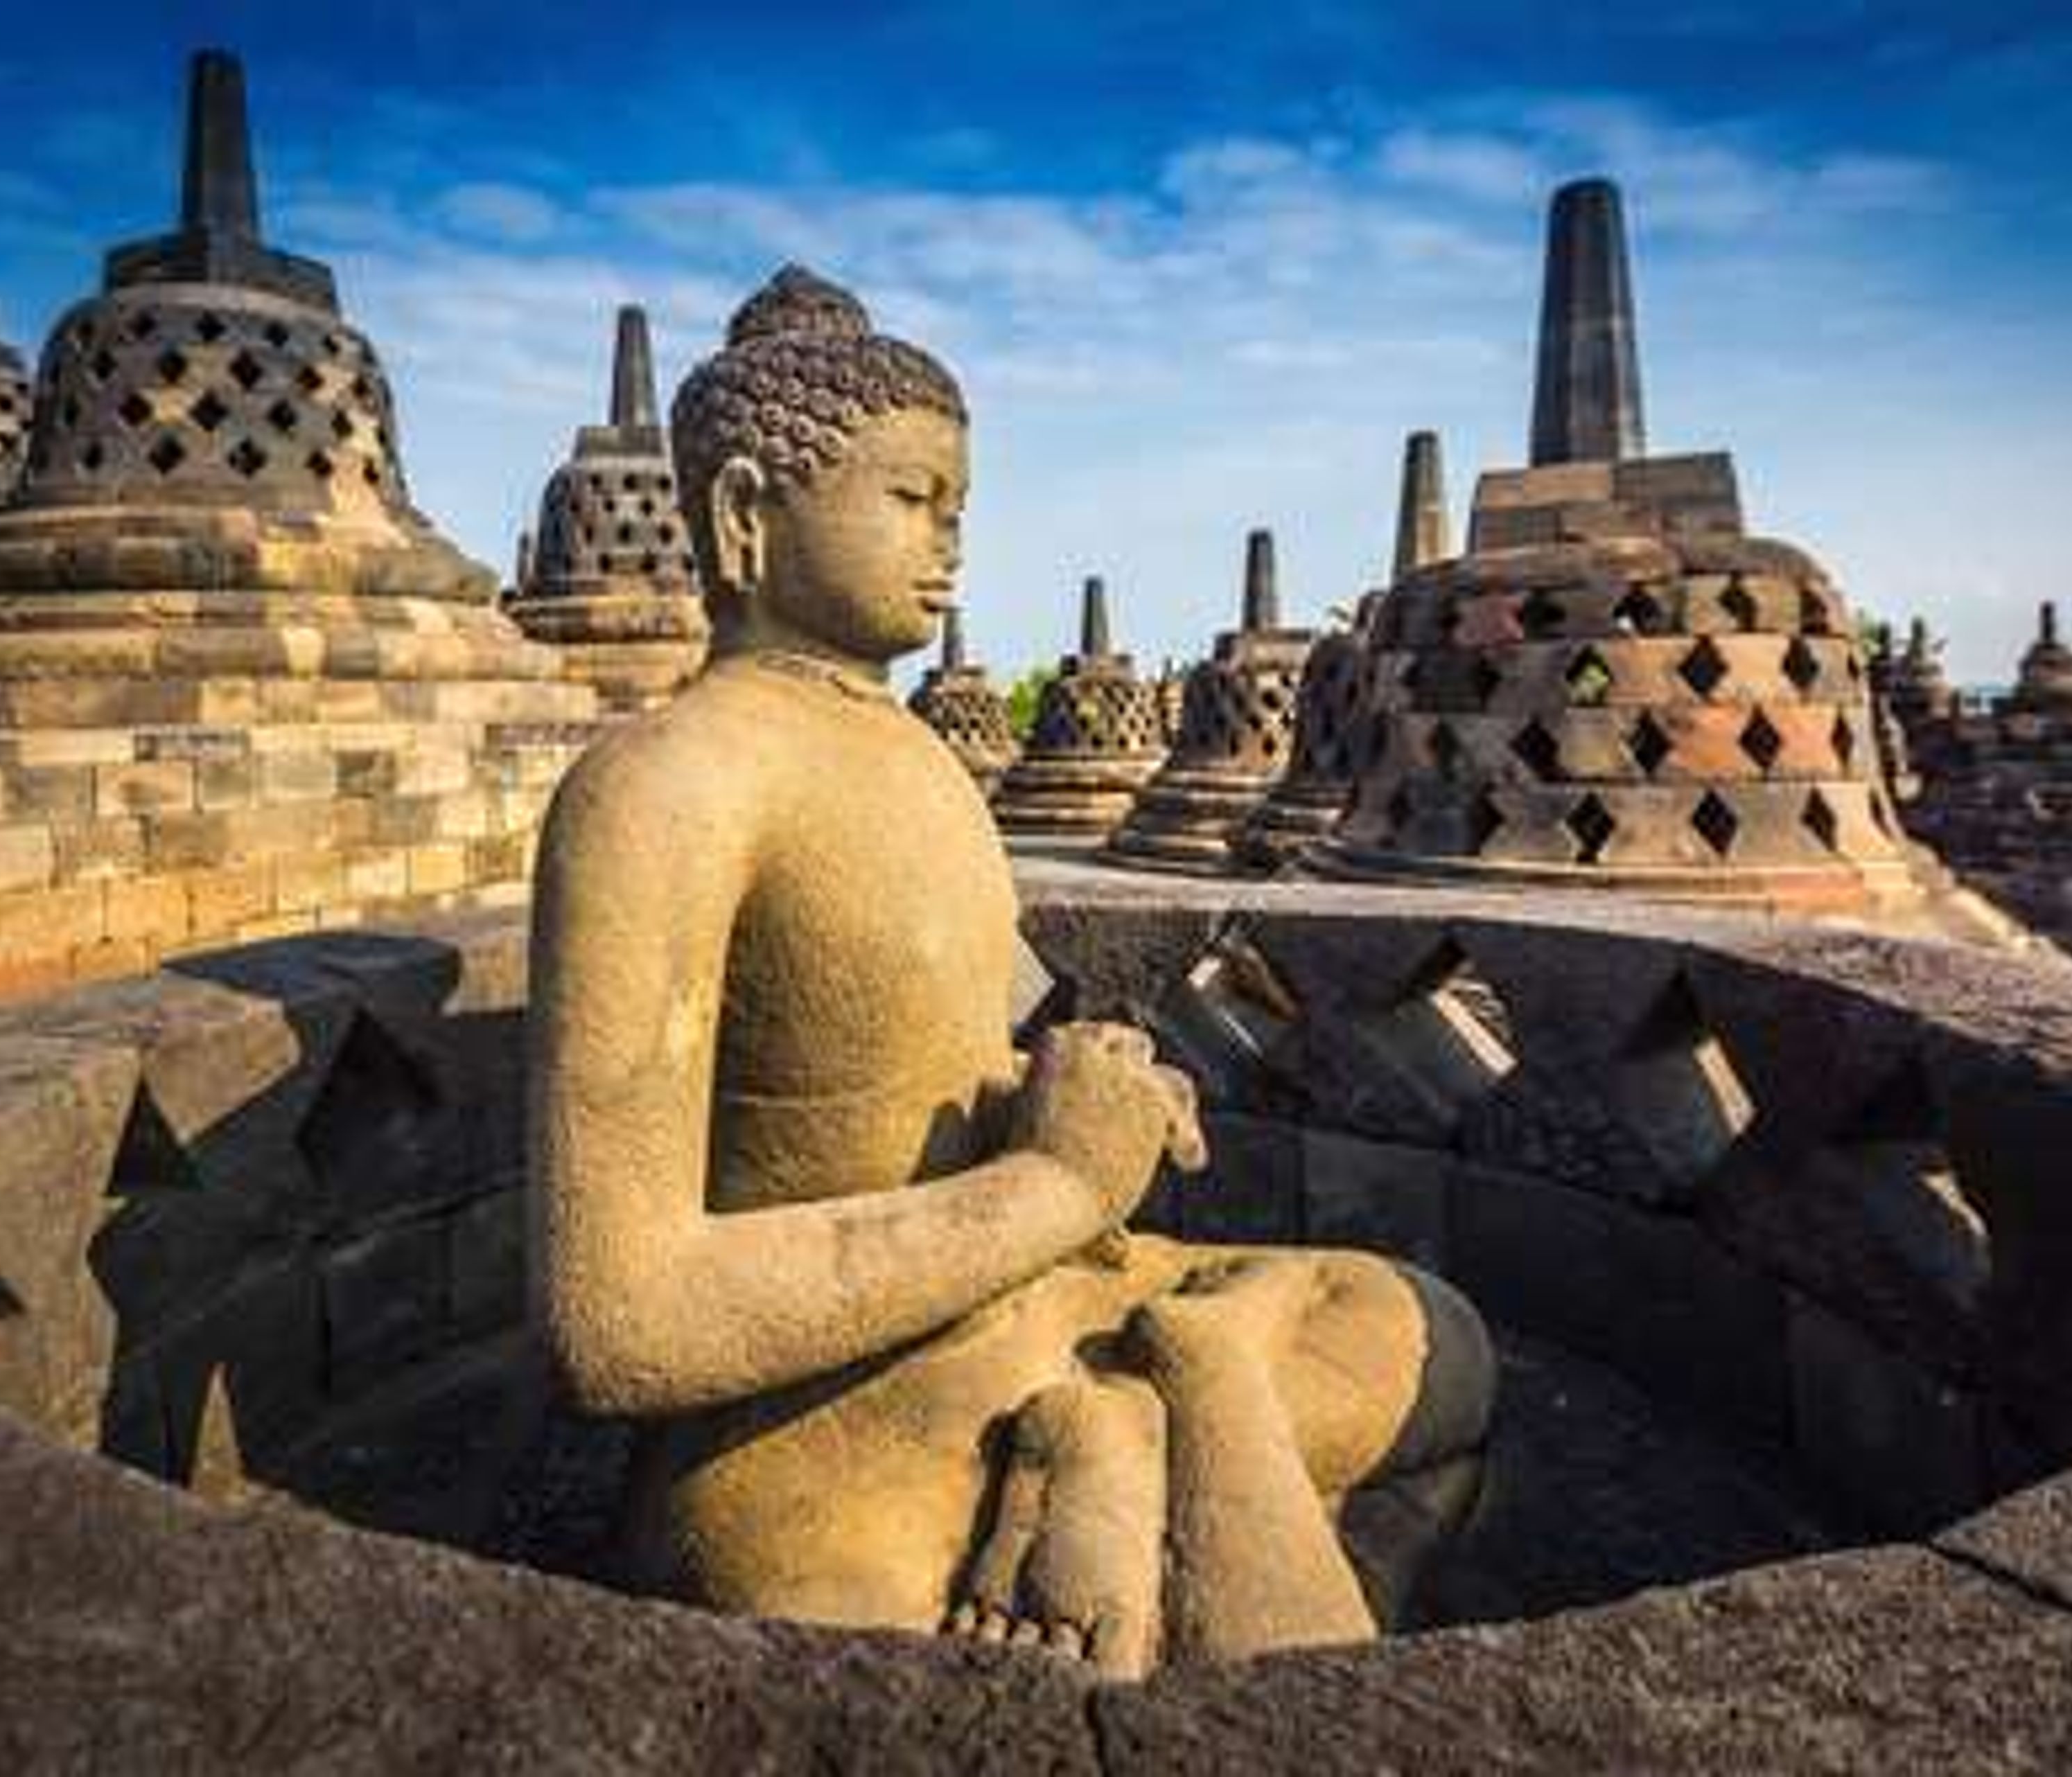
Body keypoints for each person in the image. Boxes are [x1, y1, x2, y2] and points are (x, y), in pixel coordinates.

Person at [529, 266, 1494, 1677]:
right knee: (870, 1668)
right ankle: (1175, 1440)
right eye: (912, 501)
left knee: (1432, 1336)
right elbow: (616, 1319)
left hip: (1054, 1303)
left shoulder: (920, 756)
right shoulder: (662, 785)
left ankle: (1156, 1410)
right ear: (746, 514)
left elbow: (951, 1058)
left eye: (958, 507)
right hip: (832, 1415)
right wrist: (1048, 1185)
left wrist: (1091, 1090)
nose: (950, 545)